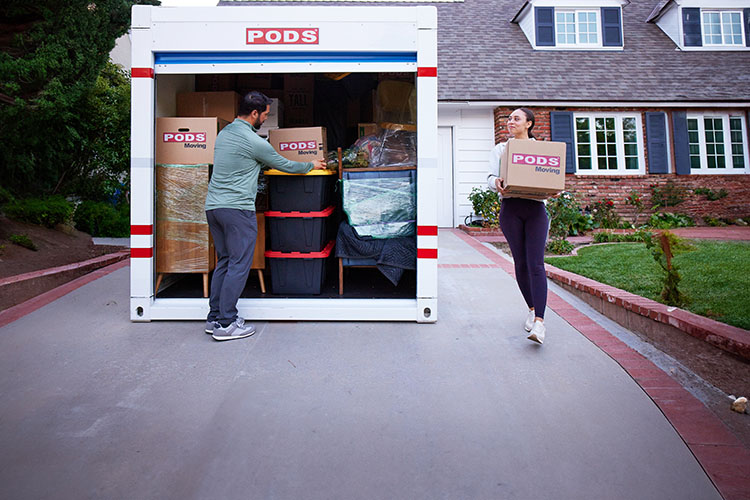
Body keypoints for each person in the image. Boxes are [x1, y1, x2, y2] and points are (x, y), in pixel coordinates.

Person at [204, 91, 326, 341]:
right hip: (237, 210)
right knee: (238, 264)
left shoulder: (225, 133)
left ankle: (215, 317)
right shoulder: (254, 141)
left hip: (214, 207)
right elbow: (286, 165)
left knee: (225, 261)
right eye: (265, 115)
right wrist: (311, 164)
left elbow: (243, 163)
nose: (265, 120)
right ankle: (226, 324)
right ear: (255, 113)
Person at [487, 108, 549, 344]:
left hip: (535, 210)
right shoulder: (501, 150)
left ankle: (540, 323)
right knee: (521, 263)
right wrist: (496, 182)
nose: (510, 122)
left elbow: (551, 177)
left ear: (529, 124)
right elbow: (489, 177)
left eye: (516, 119)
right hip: (511, 210)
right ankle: (532, 308)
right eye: (509, 118)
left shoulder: (542, 150)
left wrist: (554, 189)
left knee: (536, 264)